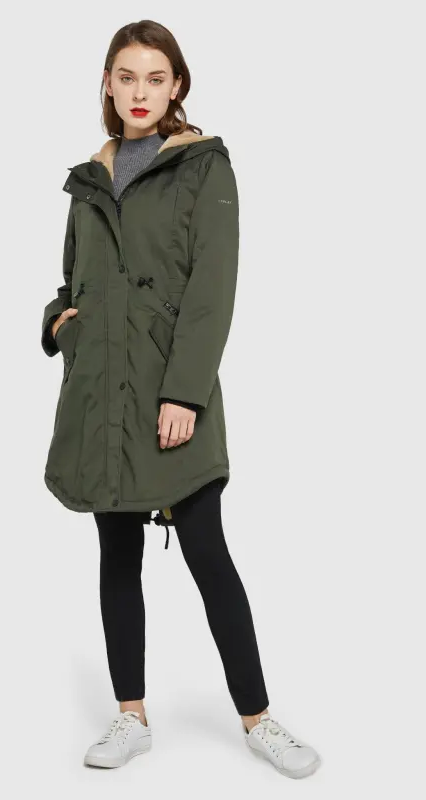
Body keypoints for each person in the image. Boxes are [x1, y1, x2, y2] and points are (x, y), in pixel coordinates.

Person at [41, 20, 321, 779]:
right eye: (126, 77)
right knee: (116, 556)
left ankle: (258, 720)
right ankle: (130, 716)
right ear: (107, 84)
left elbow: (211, 289)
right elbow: (72, 282)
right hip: (101, 394)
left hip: (170, 395)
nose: (140, 92)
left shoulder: (203, 167)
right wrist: (59, 325)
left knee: (208, 554)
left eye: (155, 78)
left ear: (177, 87)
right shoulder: (88, 179)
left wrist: (185, 395)